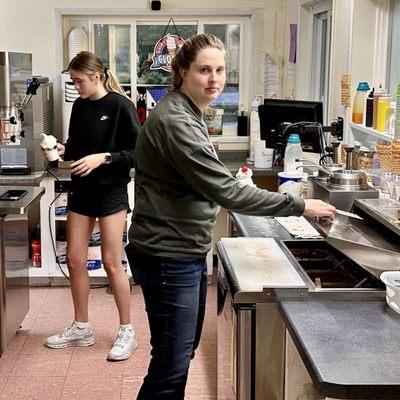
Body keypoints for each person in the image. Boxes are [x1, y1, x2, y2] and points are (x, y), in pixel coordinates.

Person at [125, 34, 335, 399]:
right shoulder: (177, 121)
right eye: (204, 70)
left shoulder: (187, 111)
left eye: (220, 70)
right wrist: (300, 205)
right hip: (168, 255)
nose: (214, 79)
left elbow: (209, 184)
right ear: (182, 72)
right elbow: (227, 192)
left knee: (179, 356)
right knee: (170, 367)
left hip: (179, 248)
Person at [44, 51, 141, 362]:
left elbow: (138, 153)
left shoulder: (121, 106)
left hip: (111, 192)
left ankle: (127, 331)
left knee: (112, 262)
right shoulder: (80, 106)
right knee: (74, 259)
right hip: (82, 191)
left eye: (79, 81)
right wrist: (59, 149)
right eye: (72, 82)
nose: (76, 87)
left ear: (97, 76)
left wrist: (105, 157)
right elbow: (77, 148)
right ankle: (81, 327)